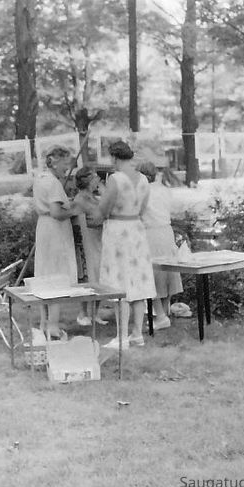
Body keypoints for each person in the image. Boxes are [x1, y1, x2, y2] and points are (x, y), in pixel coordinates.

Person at [94, 140, 156, 349]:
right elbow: (144, 207)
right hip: (136, 230)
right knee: (137, 281)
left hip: (118, 231)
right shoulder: (144, 180)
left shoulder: (116, 179)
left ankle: (121, 336)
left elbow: (104, 208)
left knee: (119, 282)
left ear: (114, 158)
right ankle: (137, 333)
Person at [32, 145, 78, 339]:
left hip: (44, 228)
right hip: (54, 231)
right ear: (55, 161)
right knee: (56, 277)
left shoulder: (40, 178)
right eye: (65, 165)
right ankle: (52, 326)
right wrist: (76, 210)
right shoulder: (53, 183)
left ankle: (44, 322)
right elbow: (57, 212)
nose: (67, 170)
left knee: (45, 275)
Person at [137, 161, 184, 329]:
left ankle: (161, 314)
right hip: (166, 231)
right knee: (166, 272)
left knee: (152, 274)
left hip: (150, 233)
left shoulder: (142, 191)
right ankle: (163, 312)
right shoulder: (164, 190)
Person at [71, 166, 107, 326]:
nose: (98, 181)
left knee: (99, 275)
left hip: (99, 239)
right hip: (88, 240)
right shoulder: (80, 200)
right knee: (89, 275)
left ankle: (95, 312)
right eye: (95, 179)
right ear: (87, 181)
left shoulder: (95, 198)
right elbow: (81, 222)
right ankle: (82, 313)